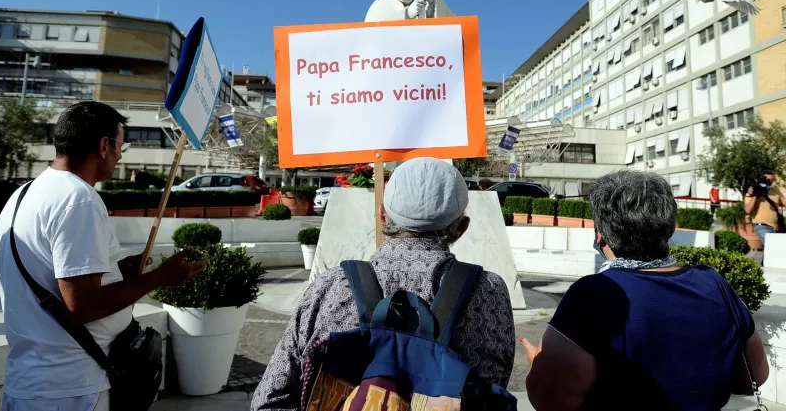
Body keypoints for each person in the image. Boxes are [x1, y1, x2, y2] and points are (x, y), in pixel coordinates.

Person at [252, 157, 515, 410]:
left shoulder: (330, 287)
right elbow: (493, 386)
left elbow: (270, 398)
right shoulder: (488, 291)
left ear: (381, 216)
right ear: (462, 228)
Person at [0, 101, 206, 411]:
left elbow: (52, 276)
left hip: (35, 382)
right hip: (69, 389)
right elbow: (81, 306)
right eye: (123, 144)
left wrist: (118, 270)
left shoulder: (24, 193)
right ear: (104, 145)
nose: (122, 154)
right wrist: (160, 278)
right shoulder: (77, 199)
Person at [520, 170, 768, 411]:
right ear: (669, 226)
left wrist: (537, 363)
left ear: (601, 234)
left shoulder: (593, 295)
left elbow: (550, 399)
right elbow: (754, 376)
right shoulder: (714, 283)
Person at [745, 170, 785, 245]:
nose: (770, 182)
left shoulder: (775, 191)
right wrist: (756, 195)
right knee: (772, 247)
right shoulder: (752, 191)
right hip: (762, 227)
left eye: (772, 180)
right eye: (768, 179)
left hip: (776, 227)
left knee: (772, 251)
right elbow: (748, 210)